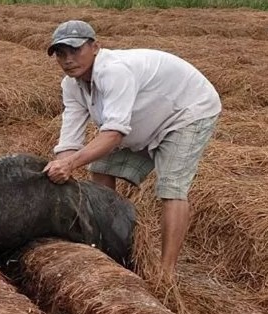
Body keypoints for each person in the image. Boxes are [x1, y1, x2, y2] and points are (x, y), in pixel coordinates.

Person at [42, 20, 221, 279]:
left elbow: (113, 133)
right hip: (144, 116)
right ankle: (108, 242)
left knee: (171, 187)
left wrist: (70, 165)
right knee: (101, 168)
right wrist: (61, 167)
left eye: (75, 50)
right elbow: (70, 138)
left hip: (186, 111)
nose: (68, 59)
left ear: (95, 47)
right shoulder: (72, 85)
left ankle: (166, 274)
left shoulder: (114, 71)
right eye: (61, 53)